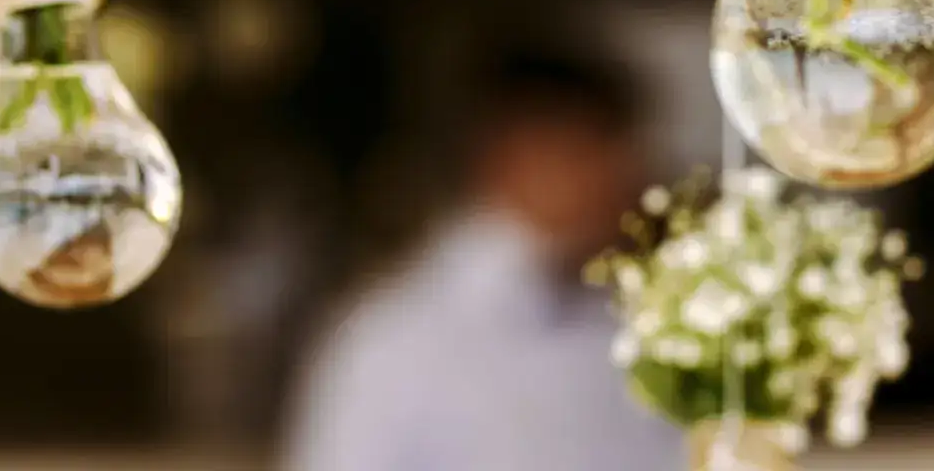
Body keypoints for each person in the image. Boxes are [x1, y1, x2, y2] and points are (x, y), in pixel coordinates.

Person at [284, 48, 684, 471]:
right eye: (595, 148)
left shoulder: (624, 316)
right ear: (511, 155)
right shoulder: (394, 340)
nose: (629, 175)